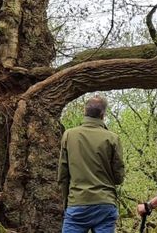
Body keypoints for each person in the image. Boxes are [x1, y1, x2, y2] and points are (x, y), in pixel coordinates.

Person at [58, 95, 126, 233]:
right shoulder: (112, 138)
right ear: (103, 114)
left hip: (77, 202)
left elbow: (63, 176)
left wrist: (67, 203)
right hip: (105, 203)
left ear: (84, 111)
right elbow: (119, 178)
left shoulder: (69, 135)